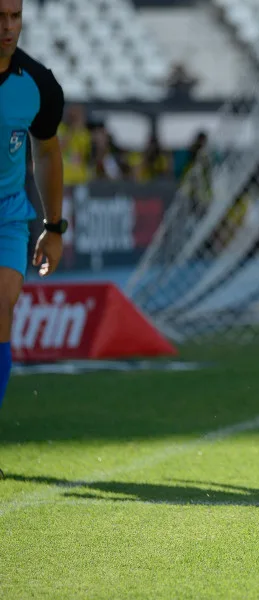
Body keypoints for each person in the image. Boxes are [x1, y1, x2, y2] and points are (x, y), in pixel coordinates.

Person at [0, 0, 65, 479]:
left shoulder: (37, 83)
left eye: (15, 16)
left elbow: (46, 153)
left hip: (7, 217)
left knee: (2, 305)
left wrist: (54, 225)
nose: (7, 28)